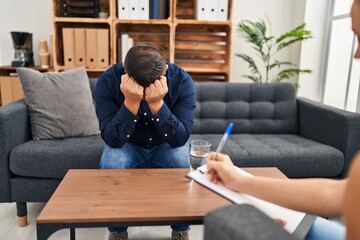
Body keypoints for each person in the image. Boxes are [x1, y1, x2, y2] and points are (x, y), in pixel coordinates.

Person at [95, 45, 196, 240]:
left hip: (166, 144)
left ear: (165, 70)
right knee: (112, 165)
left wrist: (157, 104)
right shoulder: (107, 81)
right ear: (126, 72)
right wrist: (131, 102)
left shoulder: (183, 81)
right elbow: (112, 140)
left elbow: (180, 138)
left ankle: (180, 229)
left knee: (181, 164)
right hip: (127, 144)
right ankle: (117, 232)